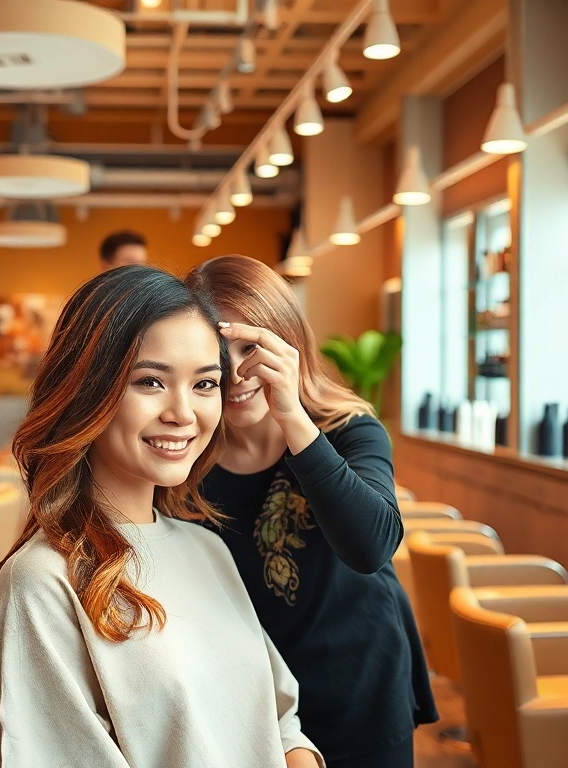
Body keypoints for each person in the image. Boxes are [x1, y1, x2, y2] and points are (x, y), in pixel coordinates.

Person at [0, 265, 324, 768]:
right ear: (86, 391)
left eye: (205, 384)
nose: (183, 412)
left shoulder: (207, 548)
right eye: (151, 381)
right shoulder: (42, 583)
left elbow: (279, 721)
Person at [186, 255, 438, 768]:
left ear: (288, 341)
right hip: (250, 699)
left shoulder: (350, 430)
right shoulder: (185, 453)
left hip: (359, 684)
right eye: (215, 353)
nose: (236, 374)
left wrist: (293, 417)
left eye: (251, 347)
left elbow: (371, 547)